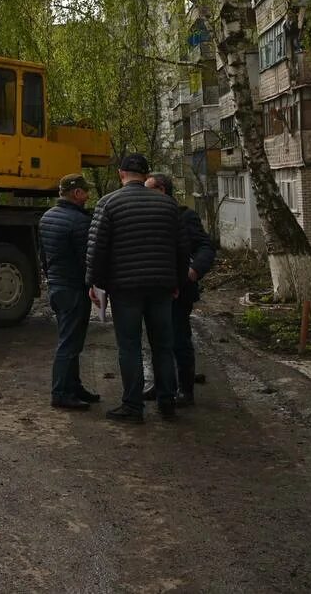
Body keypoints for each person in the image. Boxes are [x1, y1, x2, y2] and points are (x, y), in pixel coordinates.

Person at [85, 153, 189, 423]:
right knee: (163, 346)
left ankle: (133, 406)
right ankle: (167, 402)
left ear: (121, 174)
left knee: (129, 346)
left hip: (125, 288)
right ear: (145, 174)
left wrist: (95, 284)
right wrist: (176, 282)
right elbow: (181, 248)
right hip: (161, 287)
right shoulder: (168, 205)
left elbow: (97, 249)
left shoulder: (109, 204)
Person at [143, 172, 216, 407]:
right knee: (157, 340)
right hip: (155, 288)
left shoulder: (184, 216)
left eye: (148, 188)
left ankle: (186, 390)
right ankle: (163, 384)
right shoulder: (149, 215)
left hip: (179, 289)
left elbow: (205, 246)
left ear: (162, 190)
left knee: (179, 340)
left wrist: (194, 271)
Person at [39, 173, 100, 410]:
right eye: (85, 192)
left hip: (57, 286)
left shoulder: (47, 217)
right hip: (74, 289)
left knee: (71, 340)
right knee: (69, 343)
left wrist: (52, 276)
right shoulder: (79, 221)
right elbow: (87, 260)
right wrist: (93, 285)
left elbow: (43, 255)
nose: (88, 196)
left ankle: (74, 386)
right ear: (76, 193)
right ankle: (61, 393)